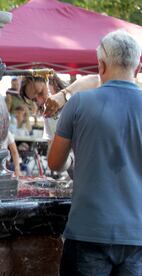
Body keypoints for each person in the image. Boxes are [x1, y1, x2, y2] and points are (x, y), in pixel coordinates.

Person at [48, 30, 142, 275]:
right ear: (138, 66)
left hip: (89, 231)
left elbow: (56, 163)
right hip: (137, 235)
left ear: (100, 65)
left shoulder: (78, 104)